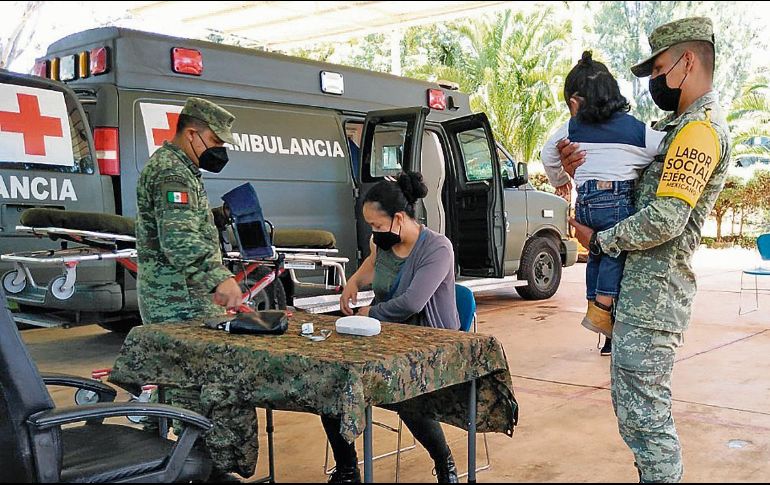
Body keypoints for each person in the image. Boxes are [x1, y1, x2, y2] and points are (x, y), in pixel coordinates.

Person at [559, 18, 730, 482]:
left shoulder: (698, 132)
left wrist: (601, 241)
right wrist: (580, 165)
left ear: (687, 62)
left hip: (655, 297)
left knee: (647, 420)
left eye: (657, 69)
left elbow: (667, 218)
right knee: (636, 412)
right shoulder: (673, 130)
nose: (653, 82)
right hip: (639, 293)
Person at [135, 96, 254, 480]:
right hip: (178, 302)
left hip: (185, 297)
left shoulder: (182, 169)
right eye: (216, 143)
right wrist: (218, 278)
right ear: (192, 133)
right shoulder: (172, 174)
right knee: (201, 386)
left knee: (186, 382)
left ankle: (189, 463)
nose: (220, 151)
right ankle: (198, 468)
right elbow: (179, 240)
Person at [329, 171, 461, 483]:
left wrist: (369, 312)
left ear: (399, 218)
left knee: (406, 394)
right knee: (331, 381)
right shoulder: (383, 243)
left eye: (376, 225)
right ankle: (347, 469)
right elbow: (370, 266)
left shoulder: (437, 249)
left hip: (430, 345)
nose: (374, 232)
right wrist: (352, 283)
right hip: (386, 338)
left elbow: (412, 303)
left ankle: (445, 463)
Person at [540, 51, 666, 357]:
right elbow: (663, 147)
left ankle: (592, 301)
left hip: (585, 202)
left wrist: (560, 180)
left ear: (574, 103)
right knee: (613, 251)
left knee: (594, 253)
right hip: (616, 200)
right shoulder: (634, 129)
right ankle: (603, 306)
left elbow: (547, 153)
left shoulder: (571, 130)